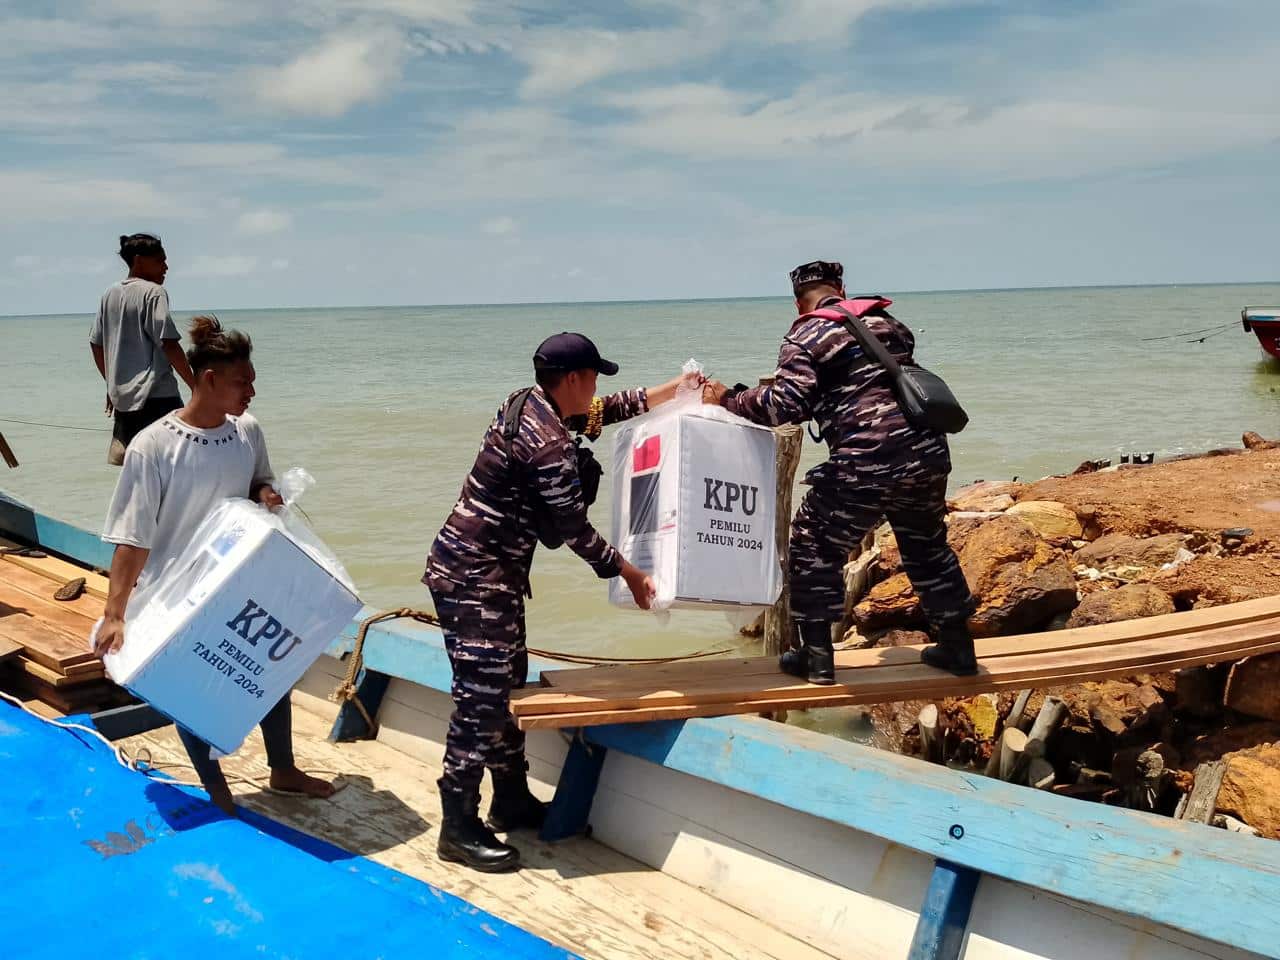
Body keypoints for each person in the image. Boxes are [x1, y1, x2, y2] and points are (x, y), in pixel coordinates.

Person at [423, 332, 691, 872]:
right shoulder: (547, 443)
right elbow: (571, 528)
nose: (595, 391)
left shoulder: (527, 402)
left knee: (506, 682)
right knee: (480, 701)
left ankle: (510, 797)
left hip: (485, 573)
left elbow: (604, 409)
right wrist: (629, 572)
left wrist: (673, 391)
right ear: (572, 379)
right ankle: (457, 825)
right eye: (592, 378)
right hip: (475, 577)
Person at [94, 315, 335, 815]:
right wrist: (116, 612)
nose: (251, 390)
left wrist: (268, 495)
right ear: (208, 380)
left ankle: (283, 770)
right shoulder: (154, 445)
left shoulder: (246, 432)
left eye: (251, 380)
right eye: (241, 381)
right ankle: (215, 783)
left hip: (237, 578)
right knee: (190, 682)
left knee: (274, 670)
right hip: (176, 587)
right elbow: (132, 538)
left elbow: (258, 482)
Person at [703, 261, 977, 681]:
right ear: (842, 289)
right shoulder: (886, 322)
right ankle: (958, 647)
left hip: (866, 461)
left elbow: (783, 406)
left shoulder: (805, 333)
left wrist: (729, 397)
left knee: (813, 545)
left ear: (798, 302)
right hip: (926, 453)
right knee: (926, 547)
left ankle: (815, 658)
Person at [91, 233, 196, 465]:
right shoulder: (153, 292)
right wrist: (196, 387)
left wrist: (111, 384)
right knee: (183, 463)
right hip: (159, 397)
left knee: (138, 469)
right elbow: (168, 342)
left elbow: (96, 344)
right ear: (139, 261)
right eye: (160, 261)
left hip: (125, 403)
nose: (166, 267)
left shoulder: (110, 294)